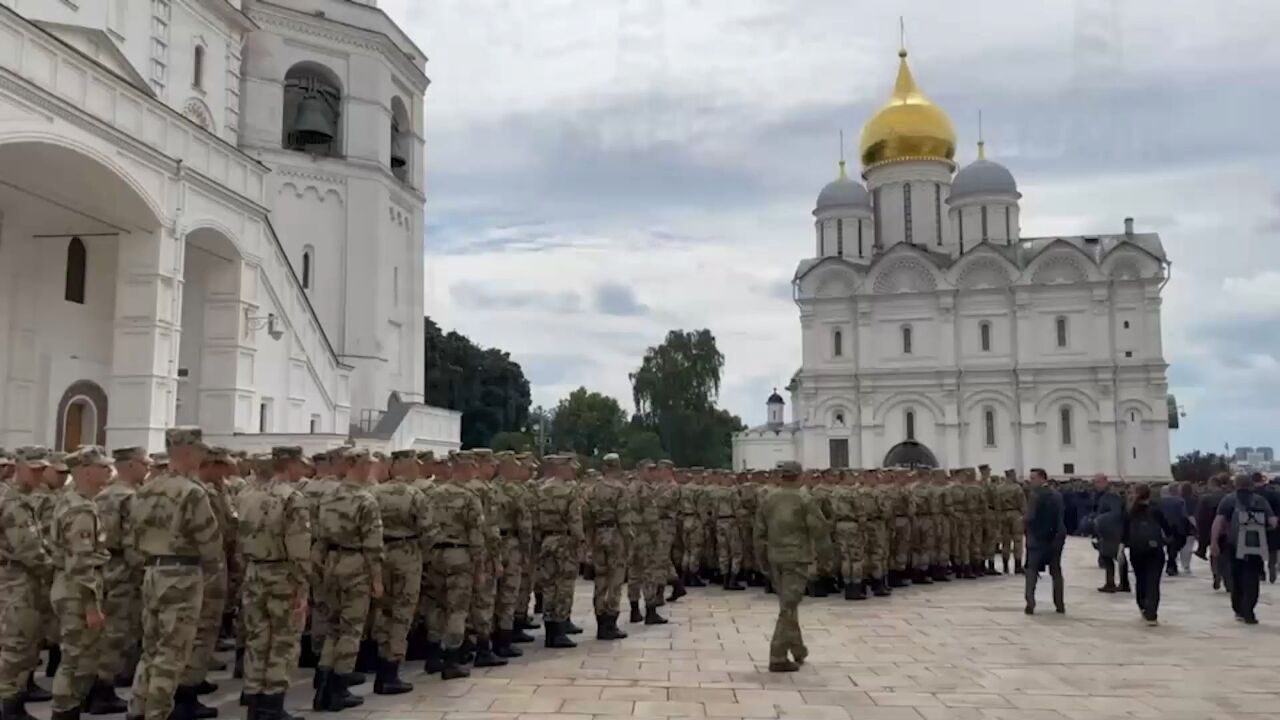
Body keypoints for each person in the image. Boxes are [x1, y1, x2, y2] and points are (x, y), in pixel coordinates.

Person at [126, 428, 222, 720]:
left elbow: (132, 539)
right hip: (182, 575)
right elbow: (211, 543)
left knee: (151, 650)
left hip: (152, 572)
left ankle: (137, 710)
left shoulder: (146, 489)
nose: (203, 457)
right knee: (172, 653)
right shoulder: (192, 492)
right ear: (189, 453)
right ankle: (158, 714)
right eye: (200, 452)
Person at [236, 446, 311, 720]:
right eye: (300, 464)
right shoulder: (292, 498)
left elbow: (238, 540)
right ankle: (273, 705)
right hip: (282, 575)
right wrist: (302, 586)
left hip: (254, 572)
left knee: (257, 639)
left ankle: (254, 701)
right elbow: (299, 547)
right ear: (289, 465)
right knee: (284, 641)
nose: (303, 470)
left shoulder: (247, 495)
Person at [754, 462, 830, 672]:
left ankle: (797, 648)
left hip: (774, 558)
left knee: (788, 603)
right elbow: (819, 530)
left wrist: (761, 561)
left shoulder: (768, 498)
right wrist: (826, 559)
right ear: (799, 476)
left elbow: (758, 533)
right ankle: (777, 655)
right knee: (788, 606)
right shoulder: (804, 499)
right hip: (796, 558)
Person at [0, 448, 55, 720]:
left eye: (41, 469)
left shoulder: (22, 499)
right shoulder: (15, 503)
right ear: (19, 467)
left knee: (25, 641)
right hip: (17, 580)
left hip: (22, 578)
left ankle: (14, 697)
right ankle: (9, 705)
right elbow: (28, 549)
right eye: (33, 469)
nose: (38, 474)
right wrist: (53, 570)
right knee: (16, 643)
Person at [1210, 473, 1277, 624]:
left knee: (1237, 576)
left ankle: (1238, 609)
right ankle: (1249, 610)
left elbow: (1218, 522)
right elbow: (1272, 522)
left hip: (1234, 544)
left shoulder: (1229, 500)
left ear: (1235, 485)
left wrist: (1214, 542)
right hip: (1256, 545)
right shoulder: (1260, 500)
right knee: (1252, 578)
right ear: (1251, 485)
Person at [1123, 484, 1172, 626]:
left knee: (1141, 578)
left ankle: (1143, 604)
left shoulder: (1130, 511)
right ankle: (1152, 612)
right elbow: (1167, 528)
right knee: (1153, 581)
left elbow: (1124, 532)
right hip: (1155, 549)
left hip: (1136, 549)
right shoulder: (1156, 509)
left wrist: (1123, 545)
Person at [1023, 468, 1065, 615]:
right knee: (1056, 572)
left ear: (1042, 479)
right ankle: (1059, 603)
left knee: (1031, 571)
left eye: (1033, 478)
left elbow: (1030, 517)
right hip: (1055, 538)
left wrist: (1027, 528)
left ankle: (1030, 603)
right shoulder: (1057, 495)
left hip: (1037, 539)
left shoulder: (1035, 496)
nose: (1030, 481)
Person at [1090, 474, 1129, 593]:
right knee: (1107, 556)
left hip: (1113, 530)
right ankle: (1111, 582)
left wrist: (1099, 519)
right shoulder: (1102, 495)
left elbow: (1115, 512)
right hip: (1106, 530)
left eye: (1097, 482)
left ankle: (1122, 583)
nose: (1095, 485)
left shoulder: (1111, 495)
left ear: (1104, 482)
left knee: (1116, 556)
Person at [1156, 484, 1189, 577]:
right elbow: (1184, 514)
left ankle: (1170, 564)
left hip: (1163, 527)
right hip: (1177, 527)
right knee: (1174, 546)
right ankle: (1171, 564)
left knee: (1169, 546)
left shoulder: (1158, 502)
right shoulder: (1180, 501)